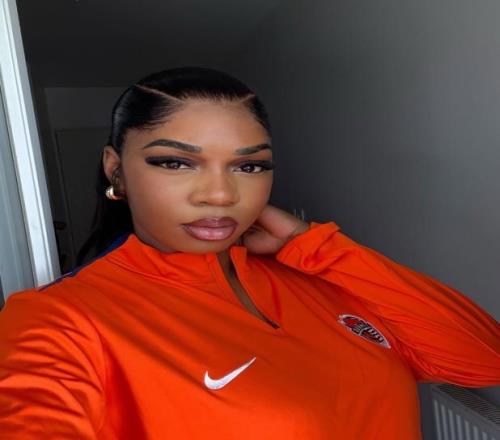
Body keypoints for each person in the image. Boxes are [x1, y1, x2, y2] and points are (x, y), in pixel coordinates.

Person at [0, 66, 498, 439]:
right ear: (116, 170)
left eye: (248, 167)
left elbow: (483, 360)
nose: (220, 195)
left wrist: (321, 247)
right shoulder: (60, 319)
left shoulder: (318, 275)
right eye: (175, 162)